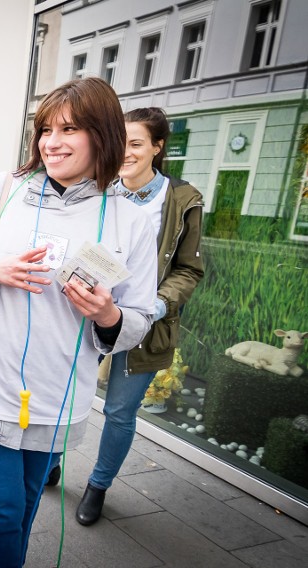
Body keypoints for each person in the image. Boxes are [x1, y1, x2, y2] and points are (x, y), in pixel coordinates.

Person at [0, 77, 158, 567]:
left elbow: (140, 316)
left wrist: (108, 314)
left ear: (102, 135)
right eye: (45, 130)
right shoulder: (6, 191)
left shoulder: (131, 219)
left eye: (69, 129)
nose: (51, 143)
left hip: (58, 395)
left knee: (27, 508)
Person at [75, 107, 205, 526]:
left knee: (118, 411)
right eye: (121, 143)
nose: (126, 153)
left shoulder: (183, 200)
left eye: (136, 144)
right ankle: (49, 460)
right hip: (89, 315)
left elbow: (189, 269)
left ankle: (98, 485)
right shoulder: (100, 189)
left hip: (146, 327)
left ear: (157, 147)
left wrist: (156, 305)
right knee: (68, 392)